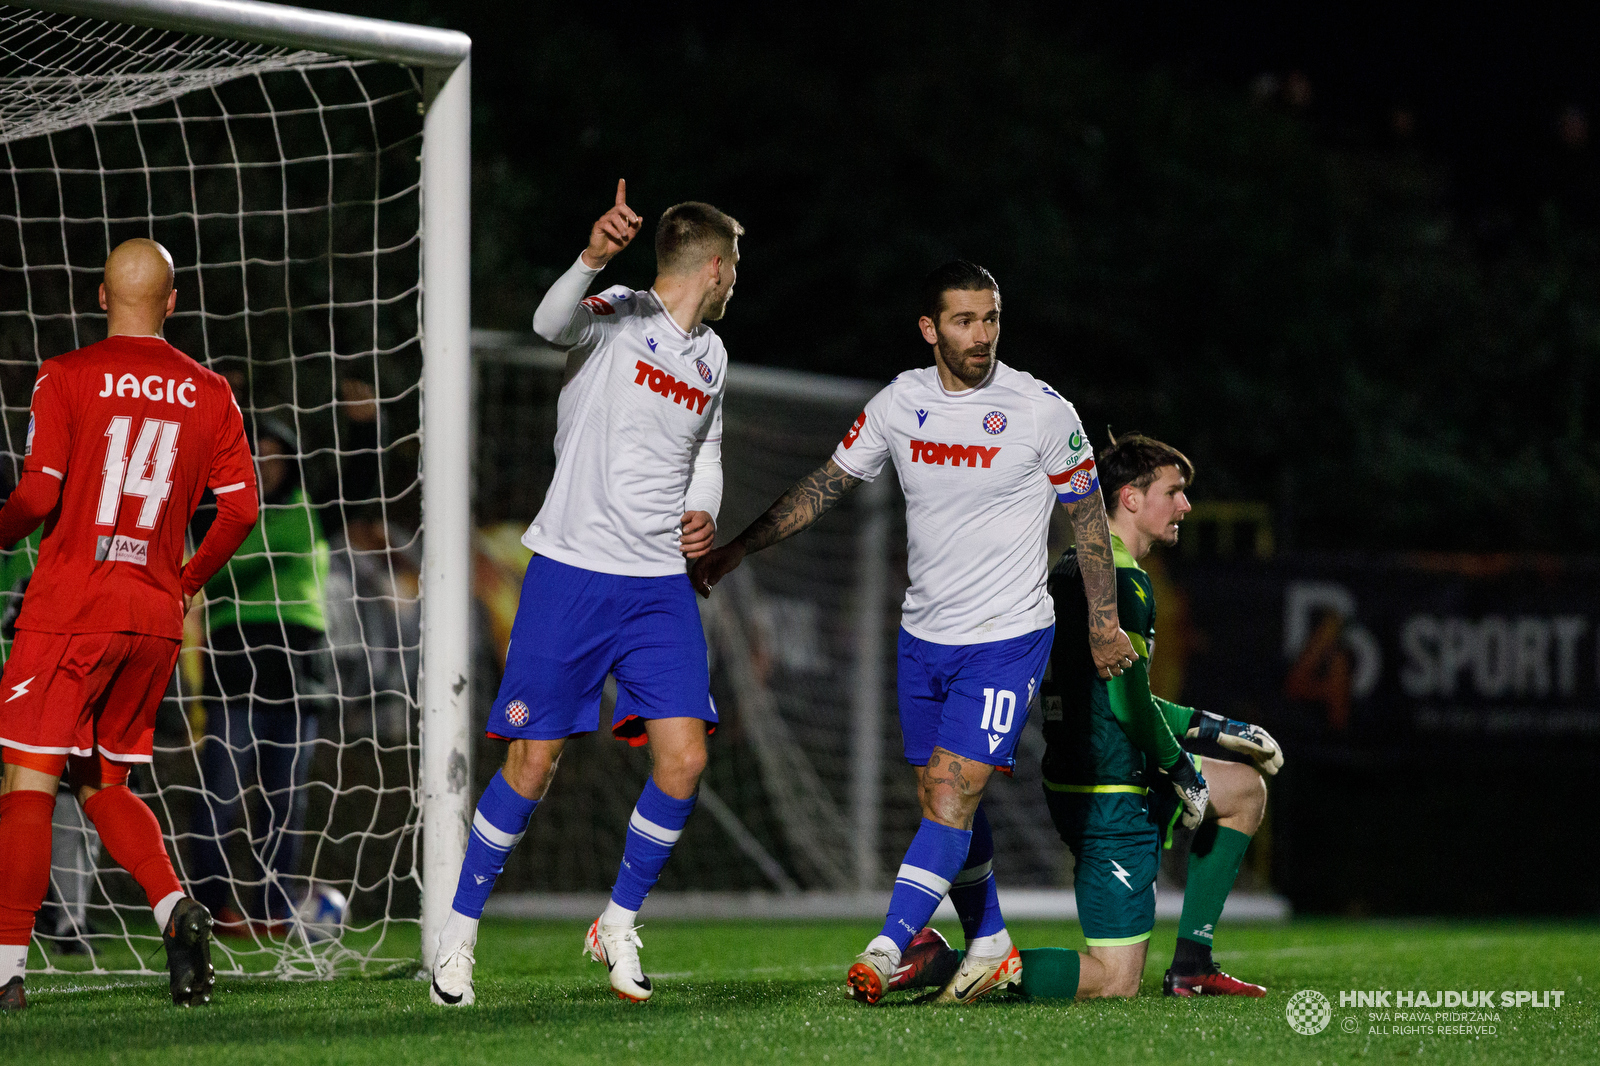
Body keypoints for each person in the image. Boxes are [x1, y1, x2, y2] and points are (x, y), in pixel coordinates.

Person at [693, 261, 1138, 1006]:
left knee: (952, 789)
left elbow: (1089, 519)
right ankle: (989, 940)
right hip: (924, 637)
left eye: (991, 318)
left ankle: (889, 943)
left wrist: (1102, 623)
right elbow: (826, 484)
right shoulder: (901, 404)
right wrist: (740, 545)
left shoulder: (1039, 409)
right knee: (940, 797)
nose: (981, 335)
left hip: (1008, 633)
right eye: (964, 321)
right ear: (931, 329)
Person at [429, 181, 735, 1007]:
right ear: (713, 266)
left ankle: (618, 920)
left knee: (685, 758)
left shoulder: (712, 355)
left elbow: (705, 448)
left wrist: (701, 507)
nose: (736, 280)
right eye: (734, 265)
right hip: (570, 570)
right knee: (532, 764)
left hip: (657, 589)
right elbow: (547, 325)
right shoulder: (622, 312)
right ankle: (457, 938)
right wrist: (592, 256)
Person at [0, 238, 259, 1010]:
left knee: (28, 780)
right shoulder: (210, 390)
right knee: (103, 779)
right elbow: (241, 508)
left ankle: (6, 968)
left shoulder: (67, 375)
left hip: (70, 609)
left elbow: (40, 498)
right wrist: (183, 582)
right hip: (151, 618)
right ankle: (172, 905)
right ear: (172, 302)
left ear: (101, 296)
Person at [945, 432, 1279, 1001]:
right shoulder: (1122, 580)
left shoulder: (1072, 567)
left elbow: (1115, 697)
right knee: (1115, 981)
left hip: (1085, 769)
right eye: (1173, 492)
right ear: (1129, 498)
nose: (1186, 506)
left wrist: (1219, 732)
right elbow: (1128, 705)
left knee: (1244, 790)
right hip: (1111, 787)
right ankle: (948, 962)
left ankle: (1193, 966)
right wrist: (1182, 768)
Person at [188, 416, 334, 935]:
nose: (264, 464)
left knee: (284, 802)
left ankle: (274, 908)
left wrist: (368, 426)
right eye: (256, 454)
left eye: (274, 454)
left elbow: (253, 554)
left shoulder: (312, 508)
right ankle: (207, 907)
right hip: (233, 661)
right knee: (221, 794)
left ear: (291, 461)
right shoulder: (213, 511)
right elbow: (213, 566)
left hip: (297, 668)